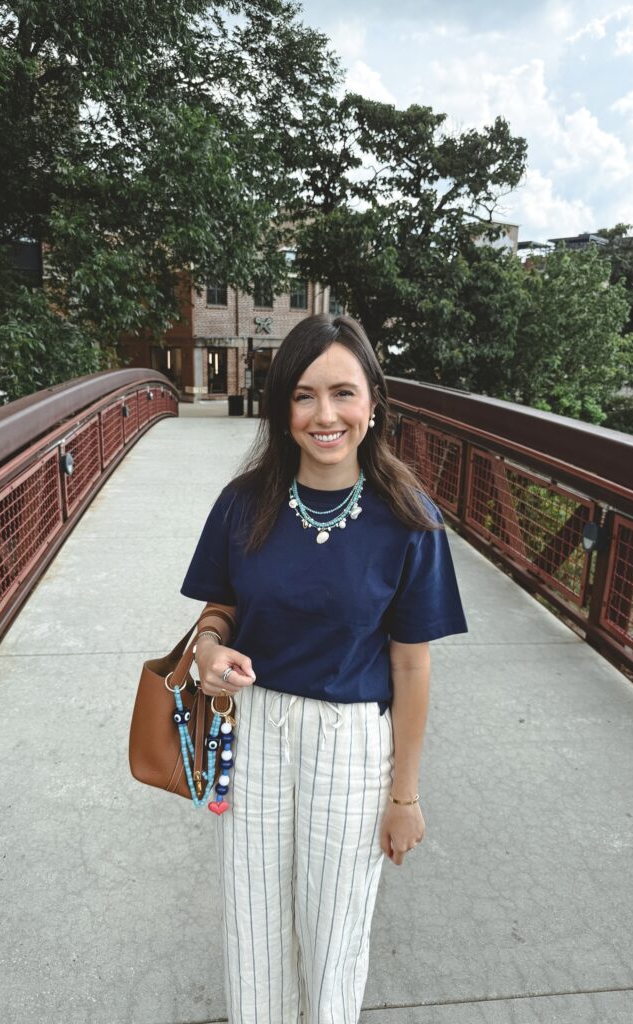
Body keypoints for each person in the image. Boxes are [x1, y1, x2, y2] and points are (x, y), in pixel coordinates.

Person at [180, 313, 469, 1024]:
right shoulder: (243, 502)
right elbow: (219, 611)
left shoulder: (409, 519)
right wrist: (208, 650)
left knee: (335, 930)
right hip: (255, 731)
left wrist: (404, 796)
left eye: (343, 393)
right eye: (304, 395)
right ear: (283, 408)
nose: (325, 415)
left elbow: (412, 668)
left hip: (351, 742)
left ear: (373, 403)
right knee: (252, 921)